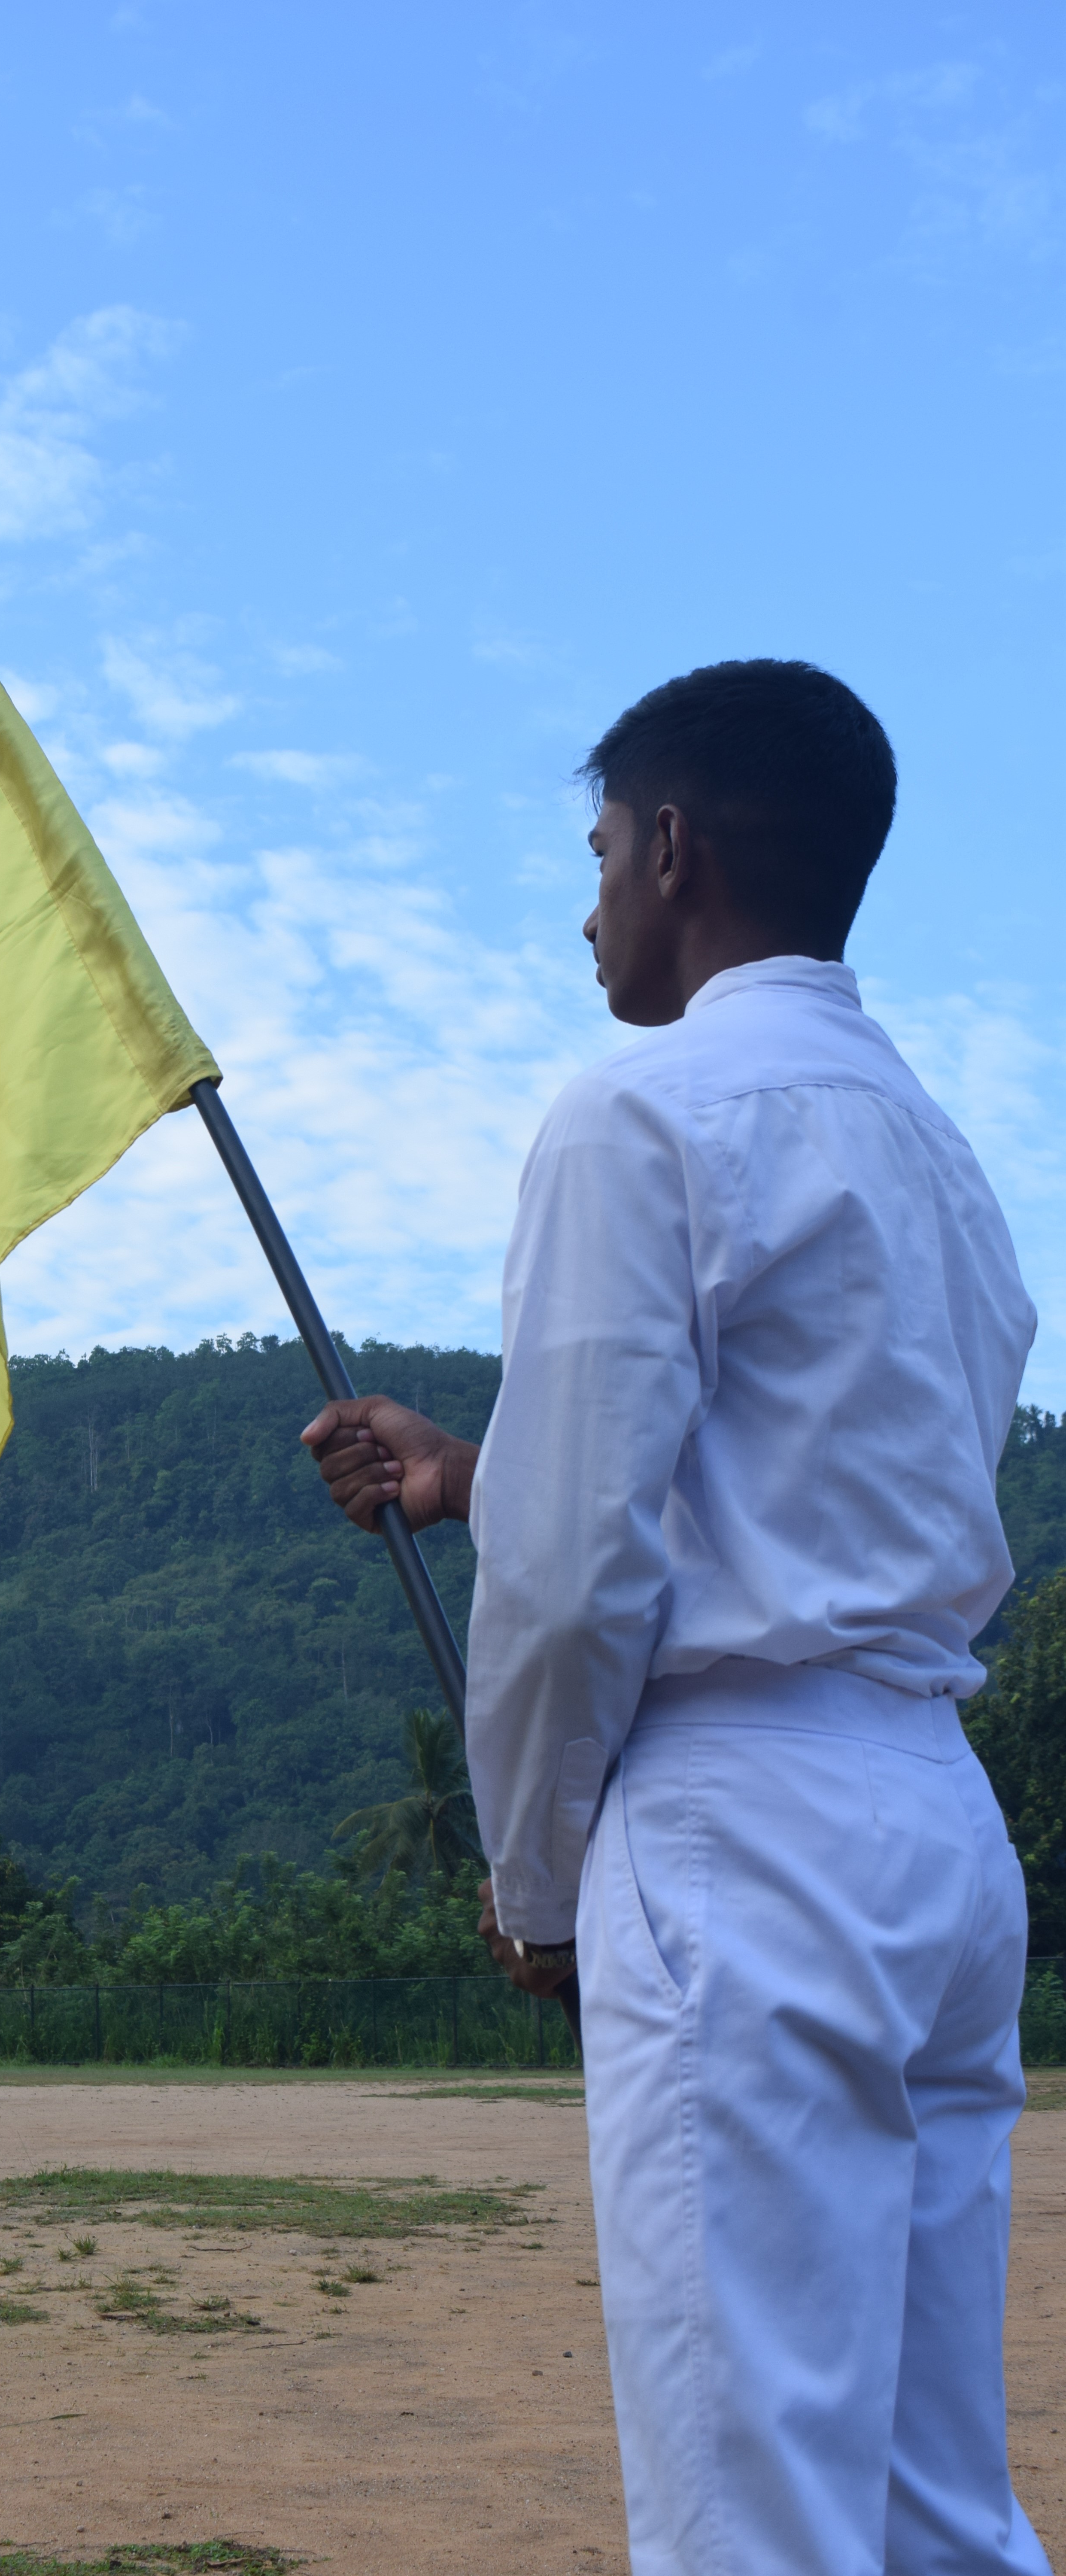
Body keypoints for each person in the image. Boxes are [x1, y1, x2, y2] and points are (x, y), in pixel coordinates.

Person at [302, 659, 1048, 2576]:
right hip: (935, 1821)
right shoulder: (939, 1159)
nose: (587, 910)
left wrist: (539, 1880)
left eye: (594, 856)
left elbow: (573, 1588)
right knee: (929, 2492)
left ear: (667, 846)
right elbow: (804, 1501)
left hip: (745, 1831)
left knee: (750, 2506)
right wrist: (477, 1475)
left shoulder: (637, 1116)